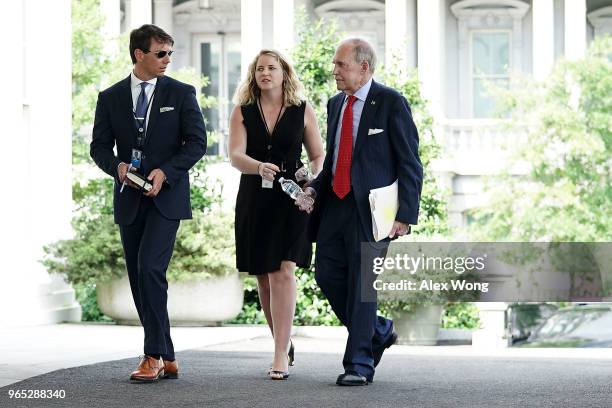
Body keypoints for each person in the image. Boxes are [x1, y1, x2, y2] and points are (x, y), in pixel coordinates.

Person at [297, 38, 423, 386]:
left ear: (364, 67)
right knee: (327, 276)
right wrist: (312, 188)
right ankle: (378, 331)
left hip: (374, 211)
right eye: (335, 64)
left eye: (341, 64)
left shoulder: (391, 102)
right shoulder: (335, 104)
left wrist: (406, 215)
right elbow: (335, 159)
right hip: (335, 206)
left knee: (362, 286)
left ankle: (359, 365)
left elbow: (410, 163)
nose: (334, 70)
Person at [90, 24, 206, 383]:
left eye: (170, 53)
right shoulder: (109, 98)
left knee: (149, 269)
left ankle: (152, 355)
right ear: (139, 54)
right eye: (161, 53)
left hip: (166, 198)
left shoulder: (181, 92)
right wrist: (118, 167)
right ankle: (167, 354)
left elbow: (196, 142)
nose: (167, 60)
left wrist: (165, 172)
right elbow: (98, 148)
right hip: (129, 199)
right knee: (141, 278)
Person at [229, 49, 324, 380]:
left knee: (284, 270)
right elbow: (236, 156)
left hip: (293, 199)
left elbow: (317, 155)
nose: (265, 73)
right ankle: (282, 342)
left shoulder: (302, 110)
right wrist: (259, 167)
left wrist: (311, 185)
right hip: (255, 196)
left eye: (271, 68)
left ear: (284, 73)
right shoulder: (243, 112)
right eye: (259, 69)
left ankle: (279, 354)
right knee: (264, 277)